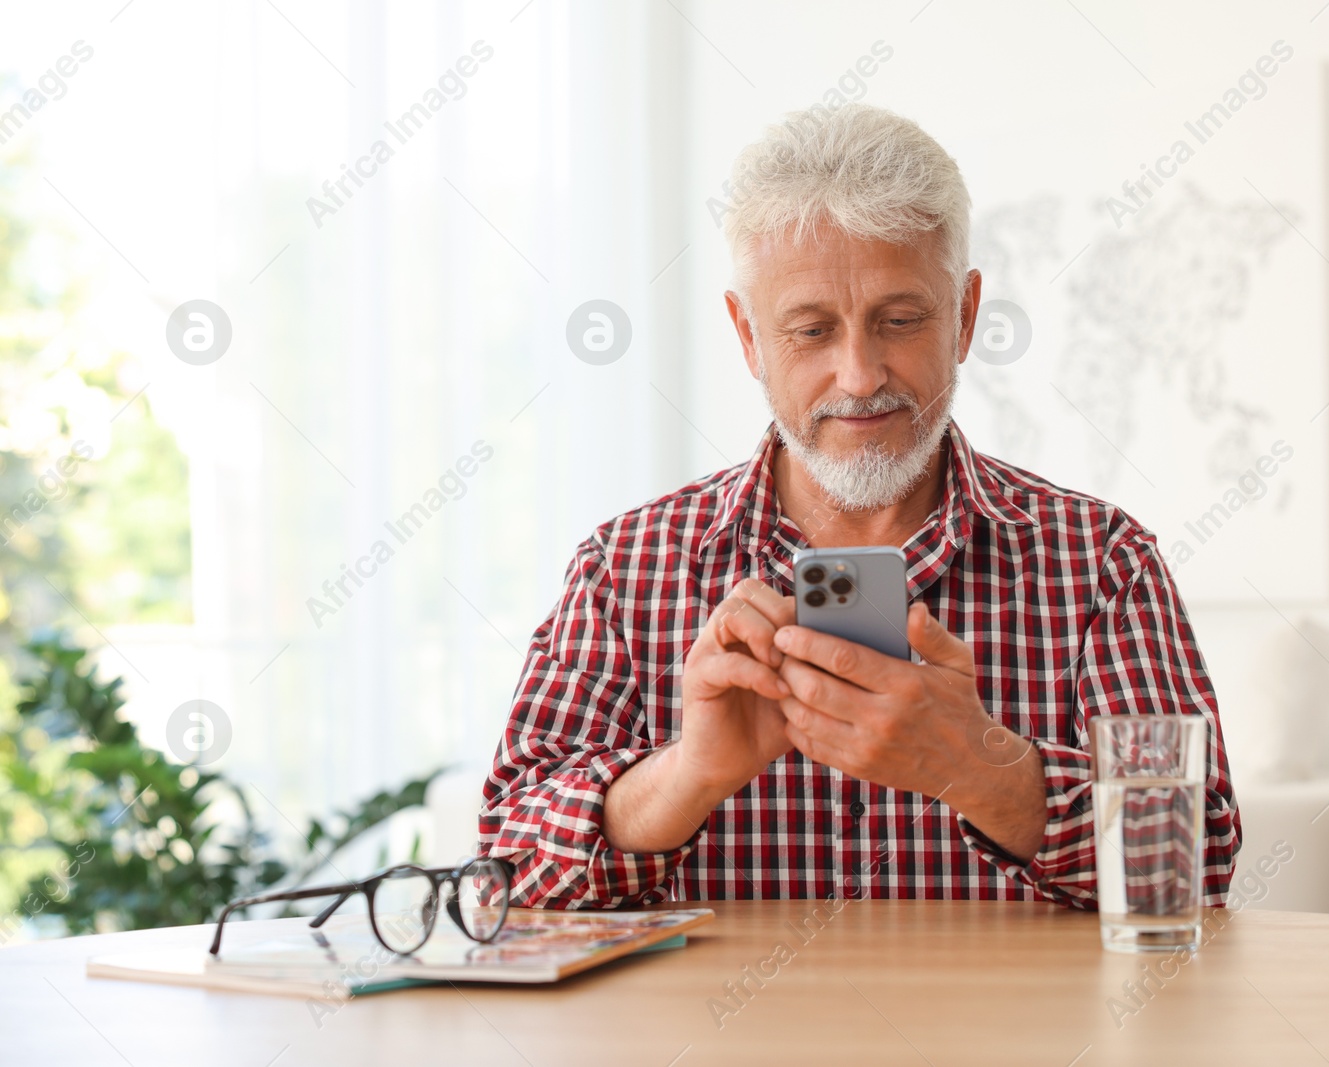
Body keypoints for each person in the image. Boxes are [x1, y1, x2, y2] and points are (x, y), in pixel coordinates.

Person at [480, 103, 1240, 908]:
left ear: (965, 316)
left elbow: (1192, 867)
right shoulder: (626, 568)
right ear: (748, 337)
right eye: (810, 331)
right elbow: (504, 872)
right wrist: (682, 776)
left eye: (901, 320)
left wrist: (980, 766)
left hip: (1015, 1039)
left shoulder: (1101, 562)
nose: (860, 375)